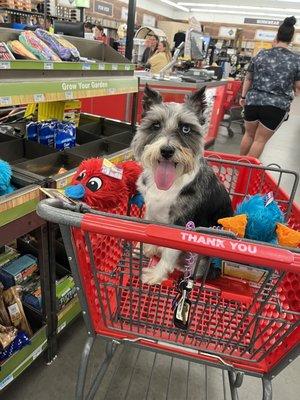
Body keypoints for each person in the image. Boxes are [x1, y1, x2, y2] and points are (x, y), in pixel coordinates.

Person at [239, 16, 300, 159]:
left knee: (248, 134)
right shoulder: (296, 60)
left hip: (253, 101)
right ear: (291, 39)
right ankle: (246, 172)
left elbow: (248, 77)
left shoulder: (261, 54)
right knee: (259, 140)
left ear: (277, 36)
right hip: (276, 106)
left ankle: (237, 165)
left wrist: (243, 97)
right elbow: (298, 88)